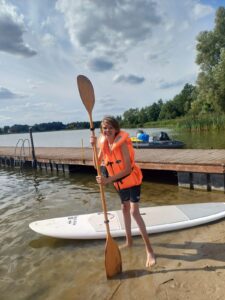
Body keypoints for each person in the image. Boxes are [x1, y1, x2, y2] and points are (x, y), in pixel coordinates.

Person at [90, 116, 156, 268]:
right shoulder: (103, 144)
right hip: (120, 183)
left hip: (132, 180)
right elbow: (96, 165)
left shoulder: (122, 144)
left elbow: (126, 168)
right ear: (101, 130)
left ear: (116, 129)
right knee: (124, 208)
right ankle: (129, 241)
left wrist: (108, 180)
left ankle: (150, 251)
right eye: (104, 128)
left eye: (110, 128)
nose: (107, 131)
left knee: (134, 212)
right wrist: (93, 147)